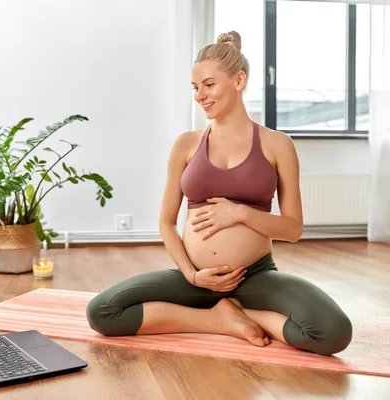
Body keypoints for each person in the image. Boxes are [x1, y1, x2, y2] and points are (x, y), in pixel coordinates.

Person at [86, 31, 352, 356]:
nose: (200, 95)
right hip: (195, 279)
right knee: (102, 311)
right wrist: (192, 275)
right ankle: (219, 320)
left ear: (239, 80)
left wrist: (240, 213)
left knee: (333, 331)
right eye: (195, 87)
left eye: (209, 85)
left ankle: (245, 313)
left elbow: (293, 228)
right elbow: (167, 223)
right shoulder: (186, 144)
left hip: (254, 276)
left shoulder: (277, 144)